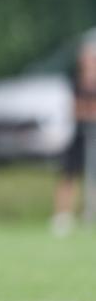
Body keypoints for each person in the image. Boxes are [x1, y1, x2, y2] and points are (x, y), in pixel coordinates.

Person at [52, 38, 96, 236]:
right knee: (68, 174)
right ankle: (63, 216)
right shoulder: (74, 81)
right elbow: (73, 108)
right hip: (78, 134)